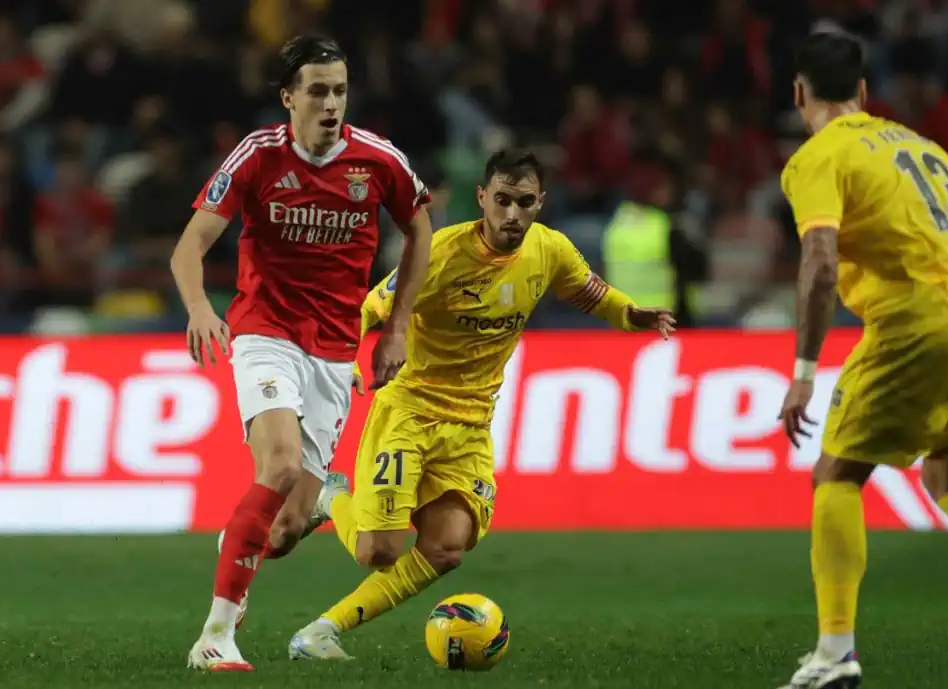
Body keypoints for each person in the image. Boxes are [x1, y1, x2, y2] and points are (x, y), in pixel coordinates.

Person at [285, 148, 675, 660]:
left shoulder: (549, 249)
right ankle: (332, 497)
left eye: (525, 202)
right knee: (377, 552)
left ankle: (320, 632)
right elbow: (370, 308)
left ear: (541, 203)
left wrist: (630, 314)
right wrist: (343, 366)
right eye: (503, 201)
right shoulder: (439, 253)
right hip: (410, 411)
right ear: (482, 198)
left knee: (447, 548)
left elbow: (587, 291)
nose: (513, 215)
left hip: (470, 424)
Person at [774, 32, 948, 689]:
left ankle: (835, 653)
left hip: (919, 318)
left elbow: (818, 264)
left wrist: (803, 375)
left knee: (836, 473)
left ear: (798, 94)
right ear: (865, 93)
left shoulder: (818, 157)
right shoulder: (919, 145)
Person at [171, 34, 434, 672]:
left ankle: (285, 520)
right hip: (264, 333)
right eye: (317, 90)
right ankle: (215, 636)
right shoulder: (258, 156)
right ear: (289, 97)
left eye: (340, 90)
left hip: (336, 352)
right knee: (281, 463)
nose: (331, 102)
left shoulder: (379, 161)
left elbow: (420, 226)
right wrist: (202, 309)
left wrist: (397, 327)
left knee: (282, 530)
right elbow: (189, 247)